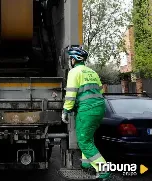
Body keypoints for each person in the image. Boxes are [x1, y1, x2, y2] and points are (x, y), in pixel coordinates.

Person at [61, 47, 110, 180]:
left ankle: (104, 171)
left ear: (74, 60)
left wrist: (66, 110)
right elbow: (100, 91)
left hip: (87, 110)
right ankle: (86, 164)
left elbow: (70, 94)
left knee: (84, 142)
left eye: (70, 58)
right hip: (99, 109)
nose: (70, 61)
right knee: (88, 138)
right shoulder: (92, 72)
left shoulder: (74, 72)